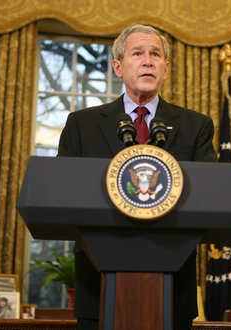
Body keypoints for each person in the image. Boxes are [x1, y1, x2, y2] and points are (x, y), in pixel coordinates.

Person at [57, 24, 217, 330]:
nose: (148, 61)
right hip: (98, 283)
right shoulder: (82, 125)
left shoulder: (196, 126)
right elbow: (65, 194)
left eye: (155, 54)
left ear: (166, 69)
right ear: (118, 67)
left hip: (173, 283)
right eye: (137, 53)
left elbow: (208, 197)